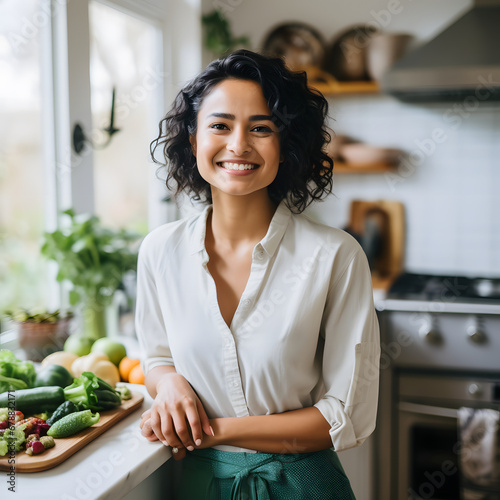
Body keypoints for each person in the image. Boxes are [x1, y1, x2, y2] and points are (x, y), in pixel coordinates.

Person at [137, 49, 380, 500]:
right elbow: (155, 357)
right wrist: (168, 382)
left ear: (285, 146)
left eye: (261, 128)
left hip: (304, 487)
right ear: (193, 141)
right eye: (220, 125)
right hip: (197, 487)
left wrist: (209, 432)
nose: (238, 145)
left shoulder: (335, 256)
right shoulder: (159, 251)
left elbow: (344, 415)